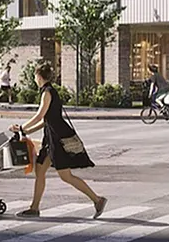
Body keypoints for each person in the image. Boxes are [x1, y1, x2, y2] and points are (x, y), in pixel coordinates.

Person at [9, 61, 106, 219]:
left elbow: (40, 115)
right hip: (51, 138)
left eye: (35, 76)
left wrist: (21, 127)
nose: (34, 78)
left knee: (65, 176)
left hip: (57, 139)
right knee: (40, 171)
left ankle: (97, 200)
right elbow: (46, 120)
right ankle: (34, 208)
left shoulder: (47, 92)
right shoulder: (50, 91)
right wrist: (25, 131)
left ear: (39, 76)